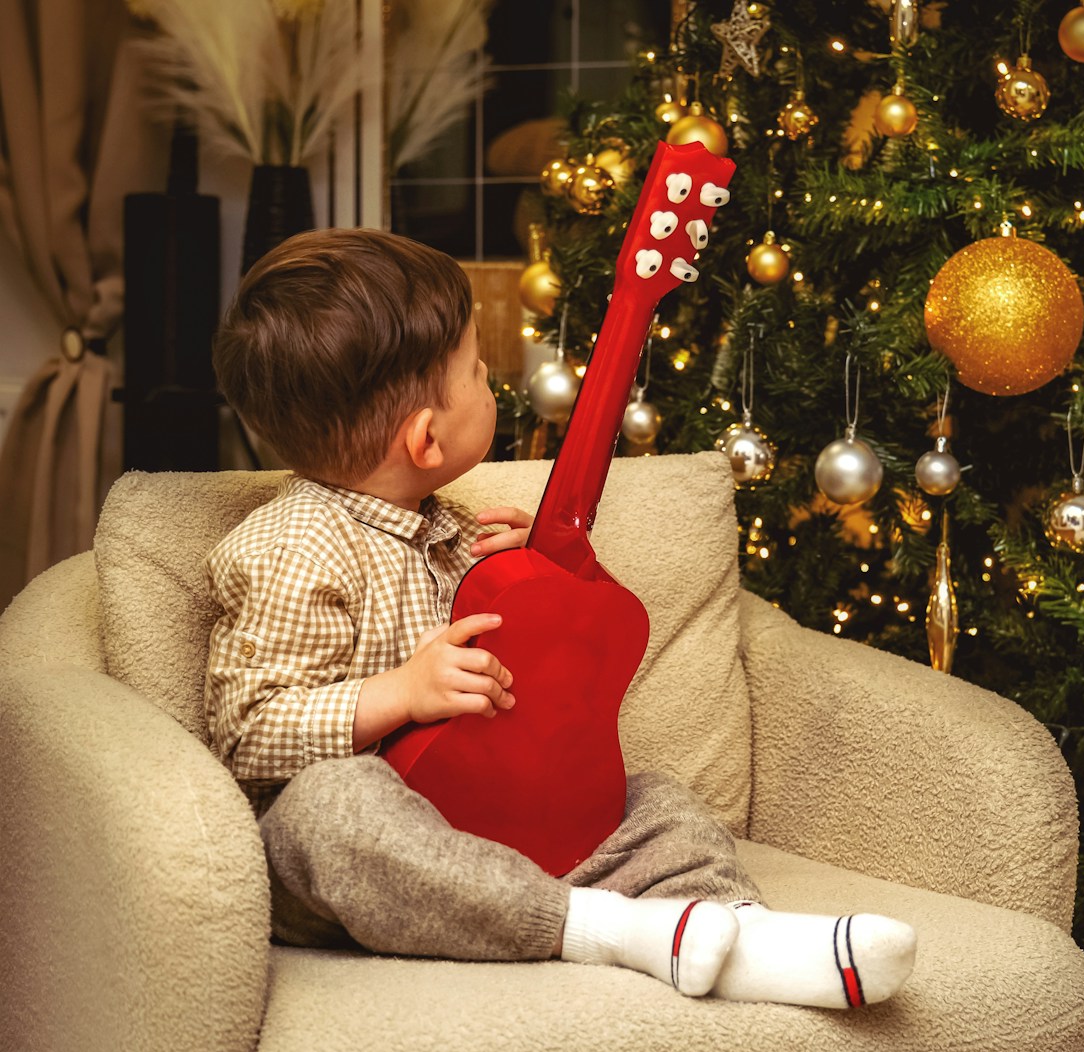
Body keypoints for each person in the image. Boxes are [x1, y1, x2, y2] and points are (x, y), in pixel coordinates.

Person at [204, 227, 916, 1008]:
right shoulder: (290, 547)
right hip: (368, 867)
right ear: (426, 437)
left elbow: (569, 656)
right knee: (330, 813)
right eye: (477, 371)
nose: (493, 386)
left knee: (659, 801)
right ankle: (600, 927)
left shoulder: (456, 531)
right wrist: (401, 693)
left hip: (502, 816)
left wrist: (552, 572)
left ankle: (748, 939)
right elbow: (245, 727)